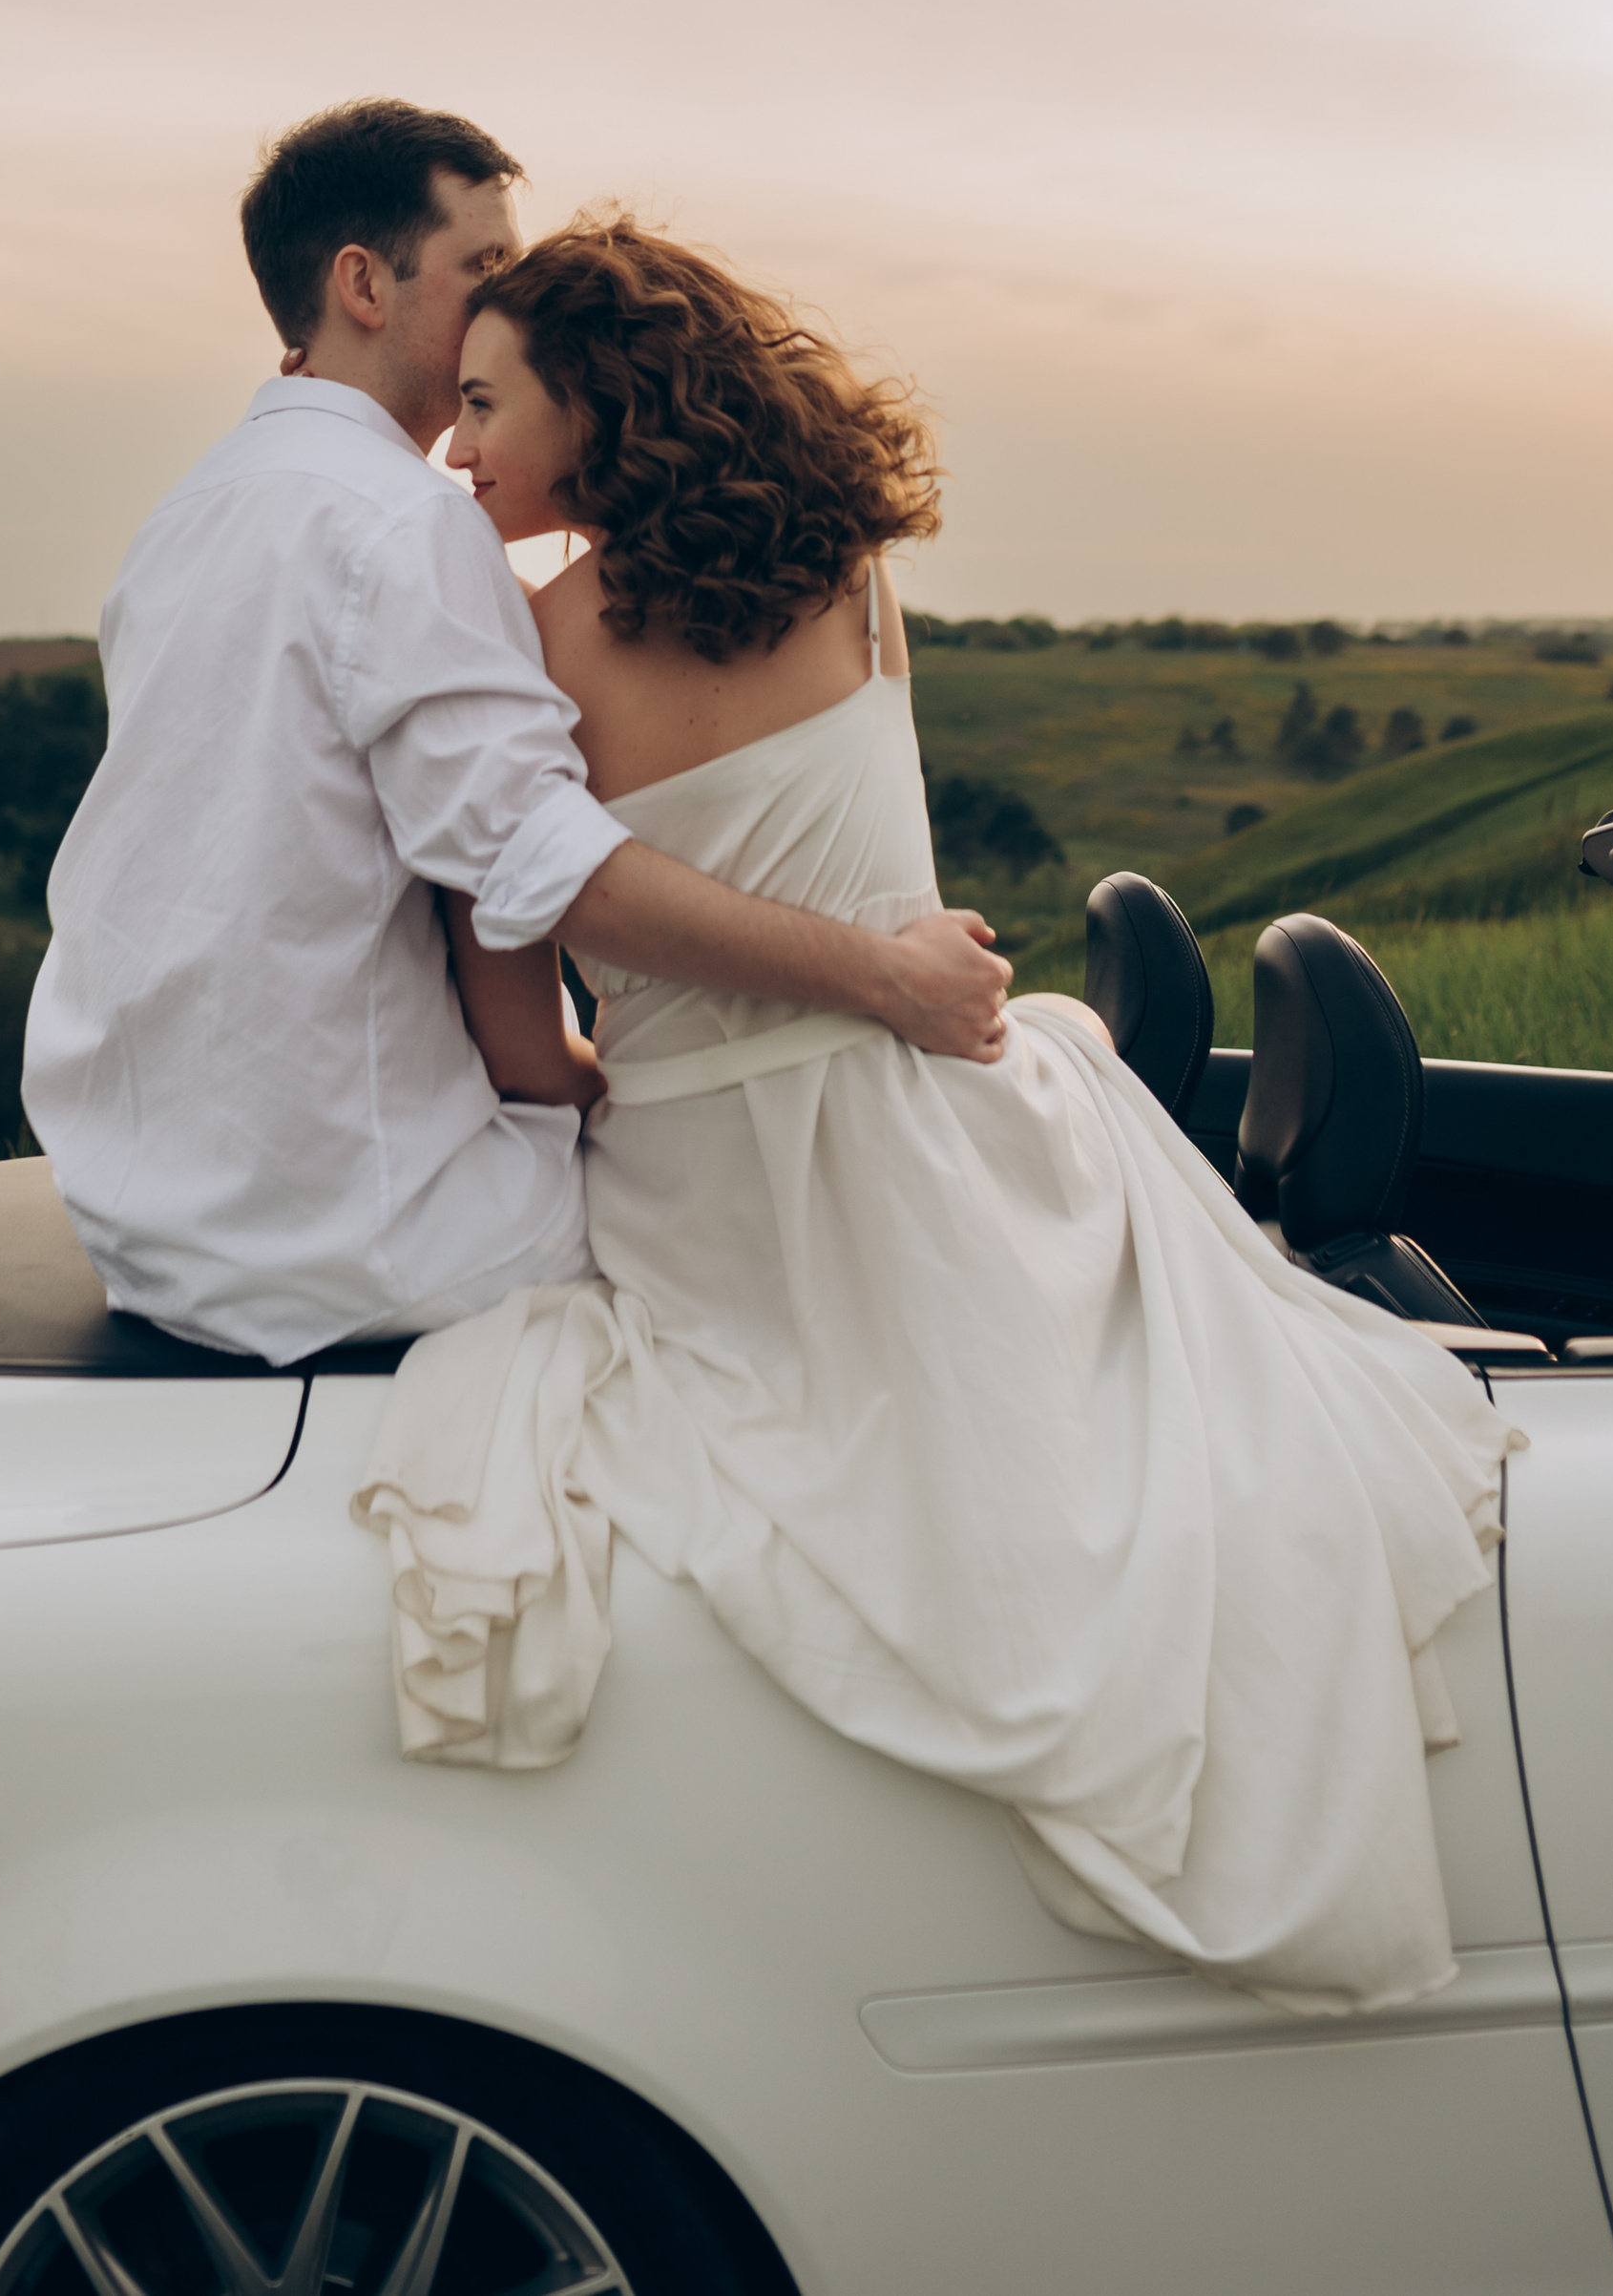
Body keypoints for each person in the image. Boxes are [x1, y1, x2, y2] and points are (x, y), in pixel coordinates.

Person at [354, 219, 1520, 2018]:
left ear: (592, 403)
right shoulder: (858, 579)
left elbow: (521, 1036)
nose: (460, 445)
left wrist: (617, 1083)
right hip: (943, 1115)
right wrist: (885, 981)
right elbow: (878, 885)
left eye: (491, 401)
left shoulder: (529, 641)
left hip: (717, 1178)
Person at [21, 102, 1010, 1366]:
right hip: (356, 1230)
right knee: (774, 1230)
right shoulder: (408, 524)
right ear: (364, 283)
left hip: (144, 1206)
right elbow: (539, 875)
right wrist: (888, 978)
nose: (517, 282)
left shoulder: (192, 512)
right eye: (484, 261)